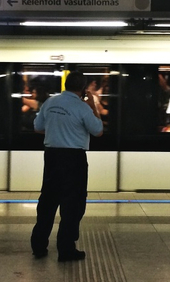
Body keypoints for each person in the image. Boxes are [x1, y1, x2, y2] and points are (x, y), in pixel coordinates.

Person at [30, 71, 103, 262]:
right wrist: (92, 105)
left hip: (52, 157)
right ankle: (66, 248)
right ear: (83, 88)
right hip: (74, 159)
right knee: (72, 204)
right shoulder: (82, 107)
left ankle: (38, 245)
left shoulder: (50, 103)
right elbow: (98, 131)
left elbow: (37, 127)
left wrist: (57, 129)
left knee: (47, 201)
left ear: (65, 85)